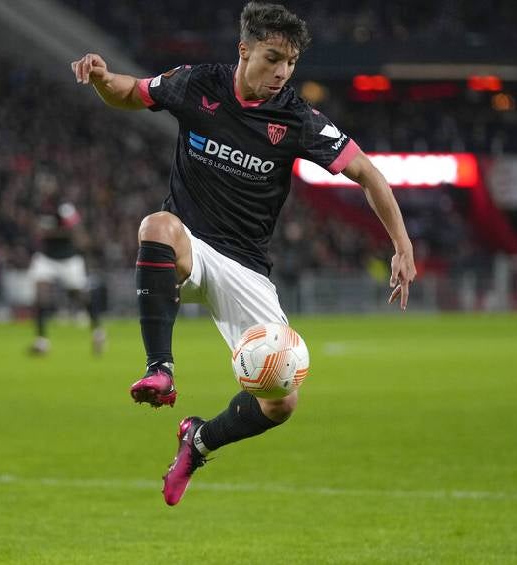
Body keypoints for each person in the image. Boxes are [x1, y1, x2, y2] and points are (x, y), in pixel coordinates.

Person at [70, 1, 416, 506]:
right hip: (190, 245)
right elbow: (131, 91)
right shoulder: (197, 84)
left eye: (290, 63)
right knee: (157, 225)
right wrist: (101, 77)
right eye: (272, 58)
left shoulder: (295, 117)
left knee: (281, 404)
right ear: (244, 49)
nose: (281, 72)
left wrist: (402, 244)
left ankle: (198, 441)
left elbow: (366, 171)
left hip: (247, 267)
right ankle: (159, 370)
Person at [26, 199, 105, 356]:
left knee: (79, 296)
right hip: (46, 258)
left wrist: (50, 233)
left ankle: (97, 331)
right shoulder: (38, 208)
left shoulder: (65, 209)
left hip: (68, 259)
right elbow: (35, 229)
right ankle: (42, 342)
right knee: (41, 295)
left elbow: (76, 232)